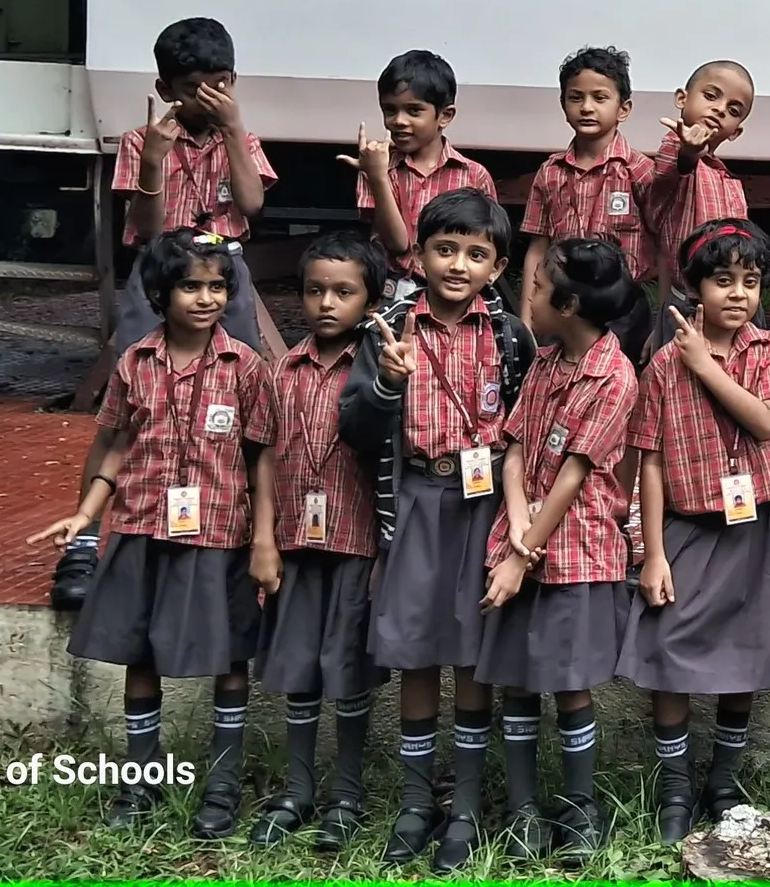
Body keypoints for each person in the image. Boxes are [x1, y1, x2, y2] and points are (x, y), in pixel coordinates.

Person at [34, 229, 275, 839]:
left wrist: (266, 537)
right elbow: (115, 444)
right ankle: (140, 781)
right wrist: (86, 513)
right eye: (190, 286)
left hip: (221, 533)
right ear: (160, 292)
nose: (205, 298)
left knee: (229, 657)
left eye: (217, 286)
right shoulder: (134, 363)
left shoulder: (245, 367)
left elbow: (261, 458)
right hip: (143, 528)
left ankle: (222, 787)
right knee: (141, 654)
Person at [624, 220, 770, 844]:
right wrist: (654, 553)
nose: (739, 294)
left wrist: (707, 365)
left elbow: (767, 423)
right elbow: (652, 459)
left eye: (751, 282)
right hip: (690, 527)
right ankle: (673, 787)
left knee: (749, 650)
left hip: (761, 527)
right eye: (723, 281)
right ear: (694, 288)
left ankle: (723, 779)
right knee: (668, 647)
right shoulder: (665, 364)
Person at [340, 187, 534, 871]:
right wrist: (386, 385)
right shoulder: (388, 328)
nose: (457, 263)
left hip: (483, 504)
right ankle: (418, 802)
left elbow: (525, 429)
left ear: (497, 264)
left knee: (473, 650)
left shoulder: (510, 334)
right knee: (419, 650)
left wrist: (519, 521)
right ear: (418, 255)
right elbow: (357, 431)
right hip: (418, 498)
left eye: (475, 253)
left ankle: (469, 804)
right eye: (444, 248)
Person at [55, 16, 278, 605]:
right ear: (165, 87)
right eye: (189, 90)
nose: (205, 101)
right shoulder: (139, 140)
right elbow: (147, 229)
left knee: (246, 402)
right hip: (159, 273)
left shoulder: (243, 139)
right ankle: (84, 543)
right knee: (124, 406)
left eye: (217, 87)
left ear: (232, 82)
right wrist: (155, 159)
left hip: (223, 271)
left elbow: (251, 206)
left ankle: (248, 536)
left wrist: (232, 129)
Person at [477, 237, 651, 868]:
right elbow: (518, 445)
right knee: (516, 683)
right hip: (519, 540)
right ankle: (523, 813)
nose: (532, 299)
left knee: (570, 687)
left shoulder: (616, 377)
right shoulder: (546, 363)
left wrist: (523, 555)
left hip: (577, 553)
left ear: (571, 304)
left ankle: (581, 814)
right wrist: (517, 525)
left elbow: (576, 474)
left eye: (542, 291)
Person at [242, 231, 390, 852]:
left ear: (372, 300)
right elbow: (265, 458)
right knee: (300, 667)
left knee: (348, 670)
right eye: (315, 291)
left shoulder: (382, 371)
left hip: (357, 542)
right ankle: (298, 792)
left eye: (344, 292)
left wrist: (390, 549)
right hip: (295, 543)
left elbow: (394, 464)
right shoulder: (282, 371)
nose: (327, 303)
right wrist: (263, 539)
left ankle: (347, 795)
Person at [345, 50, 498, 294]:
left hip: (454, 292)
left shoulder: (473, 174)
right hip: (391, 290)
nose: (399, 121)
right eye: (389, 110)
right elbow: (397, 244)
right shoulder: (377, 167)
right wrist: (378, 177)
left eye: (414, 111)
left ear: (445, 116)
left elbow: (486, 247)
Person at [520, 47, 653, 305]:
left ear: (623, 109)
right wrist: (527, 321)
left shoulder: (640, 171)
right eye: (576, 97)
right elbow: (537, 250)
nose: (587, 107)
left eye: (600, 98)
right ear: (563, 105)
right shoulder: (550, 172)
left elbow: (661, 249)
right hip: (563, 306)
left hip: (624, 309)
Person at [643, 60, 757, 302]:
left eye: (733, 110)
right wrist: (690, 150)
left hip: (728, 299)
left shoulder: (728, 181)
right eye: (711, 96)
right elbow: (676, 166)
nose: (720, 109)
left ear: (735, 132)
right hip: (685, 299)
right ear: (682, 99)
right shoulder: (674, 147)